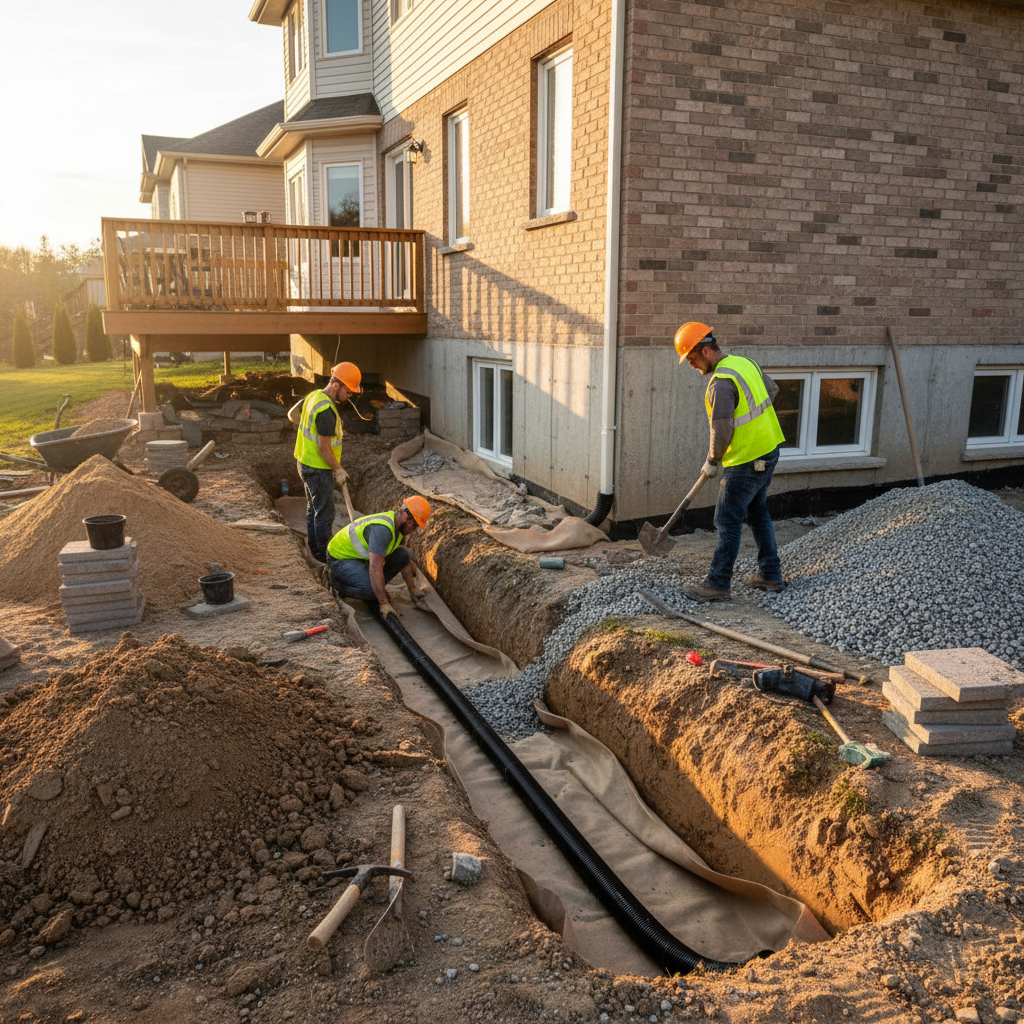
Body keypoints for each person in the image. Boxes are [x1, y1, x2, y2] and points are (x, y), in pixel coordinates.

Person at [673, 322, 787, 602]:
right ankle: (771, 576)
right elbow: (771, 391)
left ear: (707, 351)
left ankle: (718, 583)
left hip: (747, 459)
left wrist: (713, 460)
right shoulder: (744, 363)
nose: (691, 365)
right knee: (757, 510)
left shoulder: (721, 383)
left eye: (692, 358)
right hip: (769, 449)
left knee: (726, 518)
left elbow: (721, 429)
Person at [289, 361, 362, 563]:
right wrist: (338, 469)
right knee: (325, 513)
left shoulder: (314, 396)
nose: (350, 397)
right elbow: (323, 448)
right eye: (349, 392)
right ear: (337, 385)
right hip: (319, 469)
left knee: (313, 509)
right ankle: (324, 556)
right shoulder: (327, 411)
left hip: (303, 463)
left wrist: (311, 425)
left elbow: (293, 415)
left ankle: (315, 551)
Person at [326, 496, 432, 619]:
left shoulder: (398, 528)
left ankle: (373, 587)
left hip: (360, 559)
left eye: (415, 527)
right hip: (340, 558)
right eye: (411, 524)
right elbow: (375, 568)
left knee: (404, 554)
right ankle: (337, 584)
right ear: (404, 515)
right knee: (371, 591)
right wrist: (384, 603)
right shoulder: (383, 530)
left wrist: (413, 590)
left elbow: (405, 562)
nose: (411, 529)